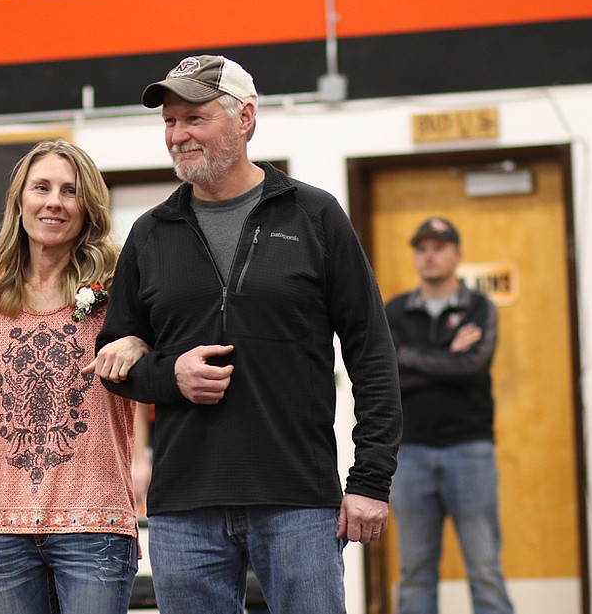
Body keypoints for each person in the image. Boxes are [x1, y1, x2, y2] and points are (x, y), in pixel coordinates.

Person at [96, 55, 403, 614]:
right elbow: (114, 360)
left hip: (298, 502)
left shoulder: (314, 215)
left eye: (194, 118)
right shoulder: (150, 233)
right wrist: (171, 377)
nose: (178, 135)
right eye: (169, 121)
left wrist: (370, 479)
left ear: (246, 118)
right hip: (183, 508)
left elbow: (372, 354)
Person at [0, 139, 151, 614]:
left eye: (70, 191)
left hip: (96, 525)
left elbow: (167, 346)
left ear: (88, 207)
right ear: (19, 199)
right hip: (5, 530)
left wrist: (141, 342)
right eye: (41, 187)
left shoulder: (120, 283)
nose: (54, 202)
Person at [384, 217, 514, 614]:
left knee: (485, 566)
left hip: (469, 449)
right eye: (422, 249)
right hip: (410, 453)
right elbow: (389, 376)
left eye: (439, 248)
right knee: (416, 568)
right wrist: (448, 354)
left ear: (457, 255)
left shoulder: (479, 307)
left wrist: (413, 358)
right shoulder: (395, 311)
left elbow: (472, 366)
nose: (430, 256)